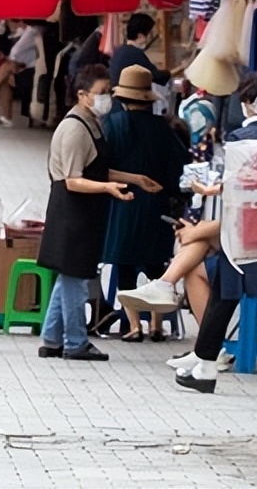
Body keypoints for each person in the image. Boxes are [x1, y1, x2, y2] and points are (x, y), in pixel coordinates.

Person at [36, 65, 158, 362]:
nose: (107, 98)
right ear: (82, 95)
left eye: (108, 92)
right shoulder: (74, 129)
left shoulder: (92, 122)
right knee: (76, 278)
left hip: (86, 213)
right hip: (72, 212)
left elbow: (98, 168)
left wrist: (134, 178)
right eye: (101, 93)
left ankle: (52, 339)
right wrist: (108, 188)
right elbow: (73, 180)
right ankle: (75, 342)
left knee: (70, 275)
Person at [175, 70, 257, 393]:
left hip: (247, 238)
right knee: (221, 288)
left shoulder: (239, 140)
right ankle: (203, 360)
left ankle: (205, 364)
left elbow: (236, 192)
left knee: (224, 289)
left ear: (247, 102)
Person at [100, 65, 188, 341]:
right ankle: (156, 325)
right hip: (156, 207)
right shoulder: (163, 128)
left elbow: (100, 164)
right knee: (155, 267)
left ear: (122, 98)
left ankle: (134, 325)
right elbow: (181, 167)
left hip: (122, 203)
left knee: (124, 266)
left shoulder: (112, 125)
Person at [108, 13, 172, 89]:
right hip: (126, 95)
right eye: (151, 34)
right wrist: (170, 73)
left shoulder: (120, 51)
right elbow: (156, 76)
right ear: (140, 36)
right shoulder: (134, 54)